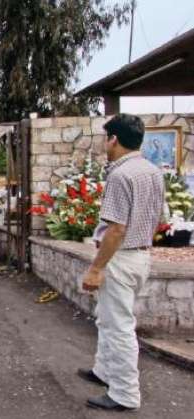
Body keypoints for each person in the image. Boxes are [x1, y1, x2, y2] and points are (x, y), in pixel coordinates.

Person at [79, 114, 165, 411]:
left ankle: (125, 393)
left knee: (118, 326)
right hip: (140, 255)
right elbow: (158, 218)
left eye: (106, 138)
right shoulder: (152, 172)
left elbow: (116, 228)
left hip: (120, 256)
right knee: (108, 317)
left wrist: (96, 267)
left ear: (114, 139)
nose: (105, 144)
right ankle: (104, 370)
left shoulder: (120, 174)